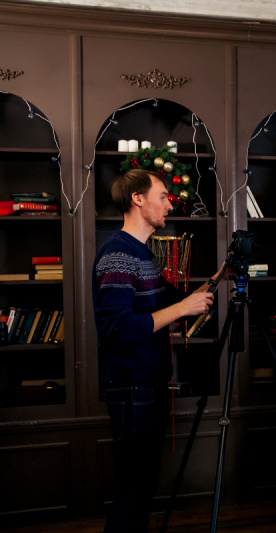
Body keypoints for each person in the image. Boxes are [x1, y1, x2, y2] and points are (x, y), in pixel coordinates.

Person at [92, 169, 222, 532]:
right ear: (138, 199)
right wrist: (181, 308)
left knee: (142, 489)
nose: (169, 204)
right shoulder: (118, 254)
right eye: (163, 196)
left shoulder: (141, 253)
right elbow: (118, 329)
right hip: (133, 390)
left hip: (149, 387)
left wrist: (219, 277)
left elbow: (174, 301)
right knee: (132, 493)